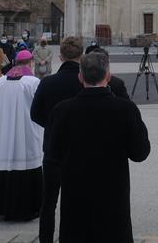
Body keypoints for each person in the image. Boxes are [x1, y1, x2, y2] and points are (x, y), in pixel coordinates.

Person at [29, 37, 127, 243]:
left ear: (60, 56)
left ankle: (46, 239)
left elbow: (35, 114)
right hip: (92, 151)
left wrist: (54, 126)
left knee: (49, 202)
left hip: (55, 150)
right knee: (90, 199)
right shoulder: (107, 81)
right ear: (81, 55)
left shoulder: (48, 83)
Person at [46, 52, 150, 243]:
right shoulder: (125, 109)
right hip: (113, 194)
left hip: (75, 194)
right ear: (108, 76)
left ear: (80, 77)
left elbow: (53, 154)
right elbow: (141, 153)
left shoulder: (62, 110)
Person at [0, 50, 43, 221]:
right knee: (27, 165)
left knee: (6, 166)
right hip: (26, 132)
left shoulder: (1, 81)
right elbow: (40, 109)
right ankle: (28, 209)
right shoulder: (34, 82)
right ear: (31, 63)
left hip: (5, 134)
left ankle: (2, 208)